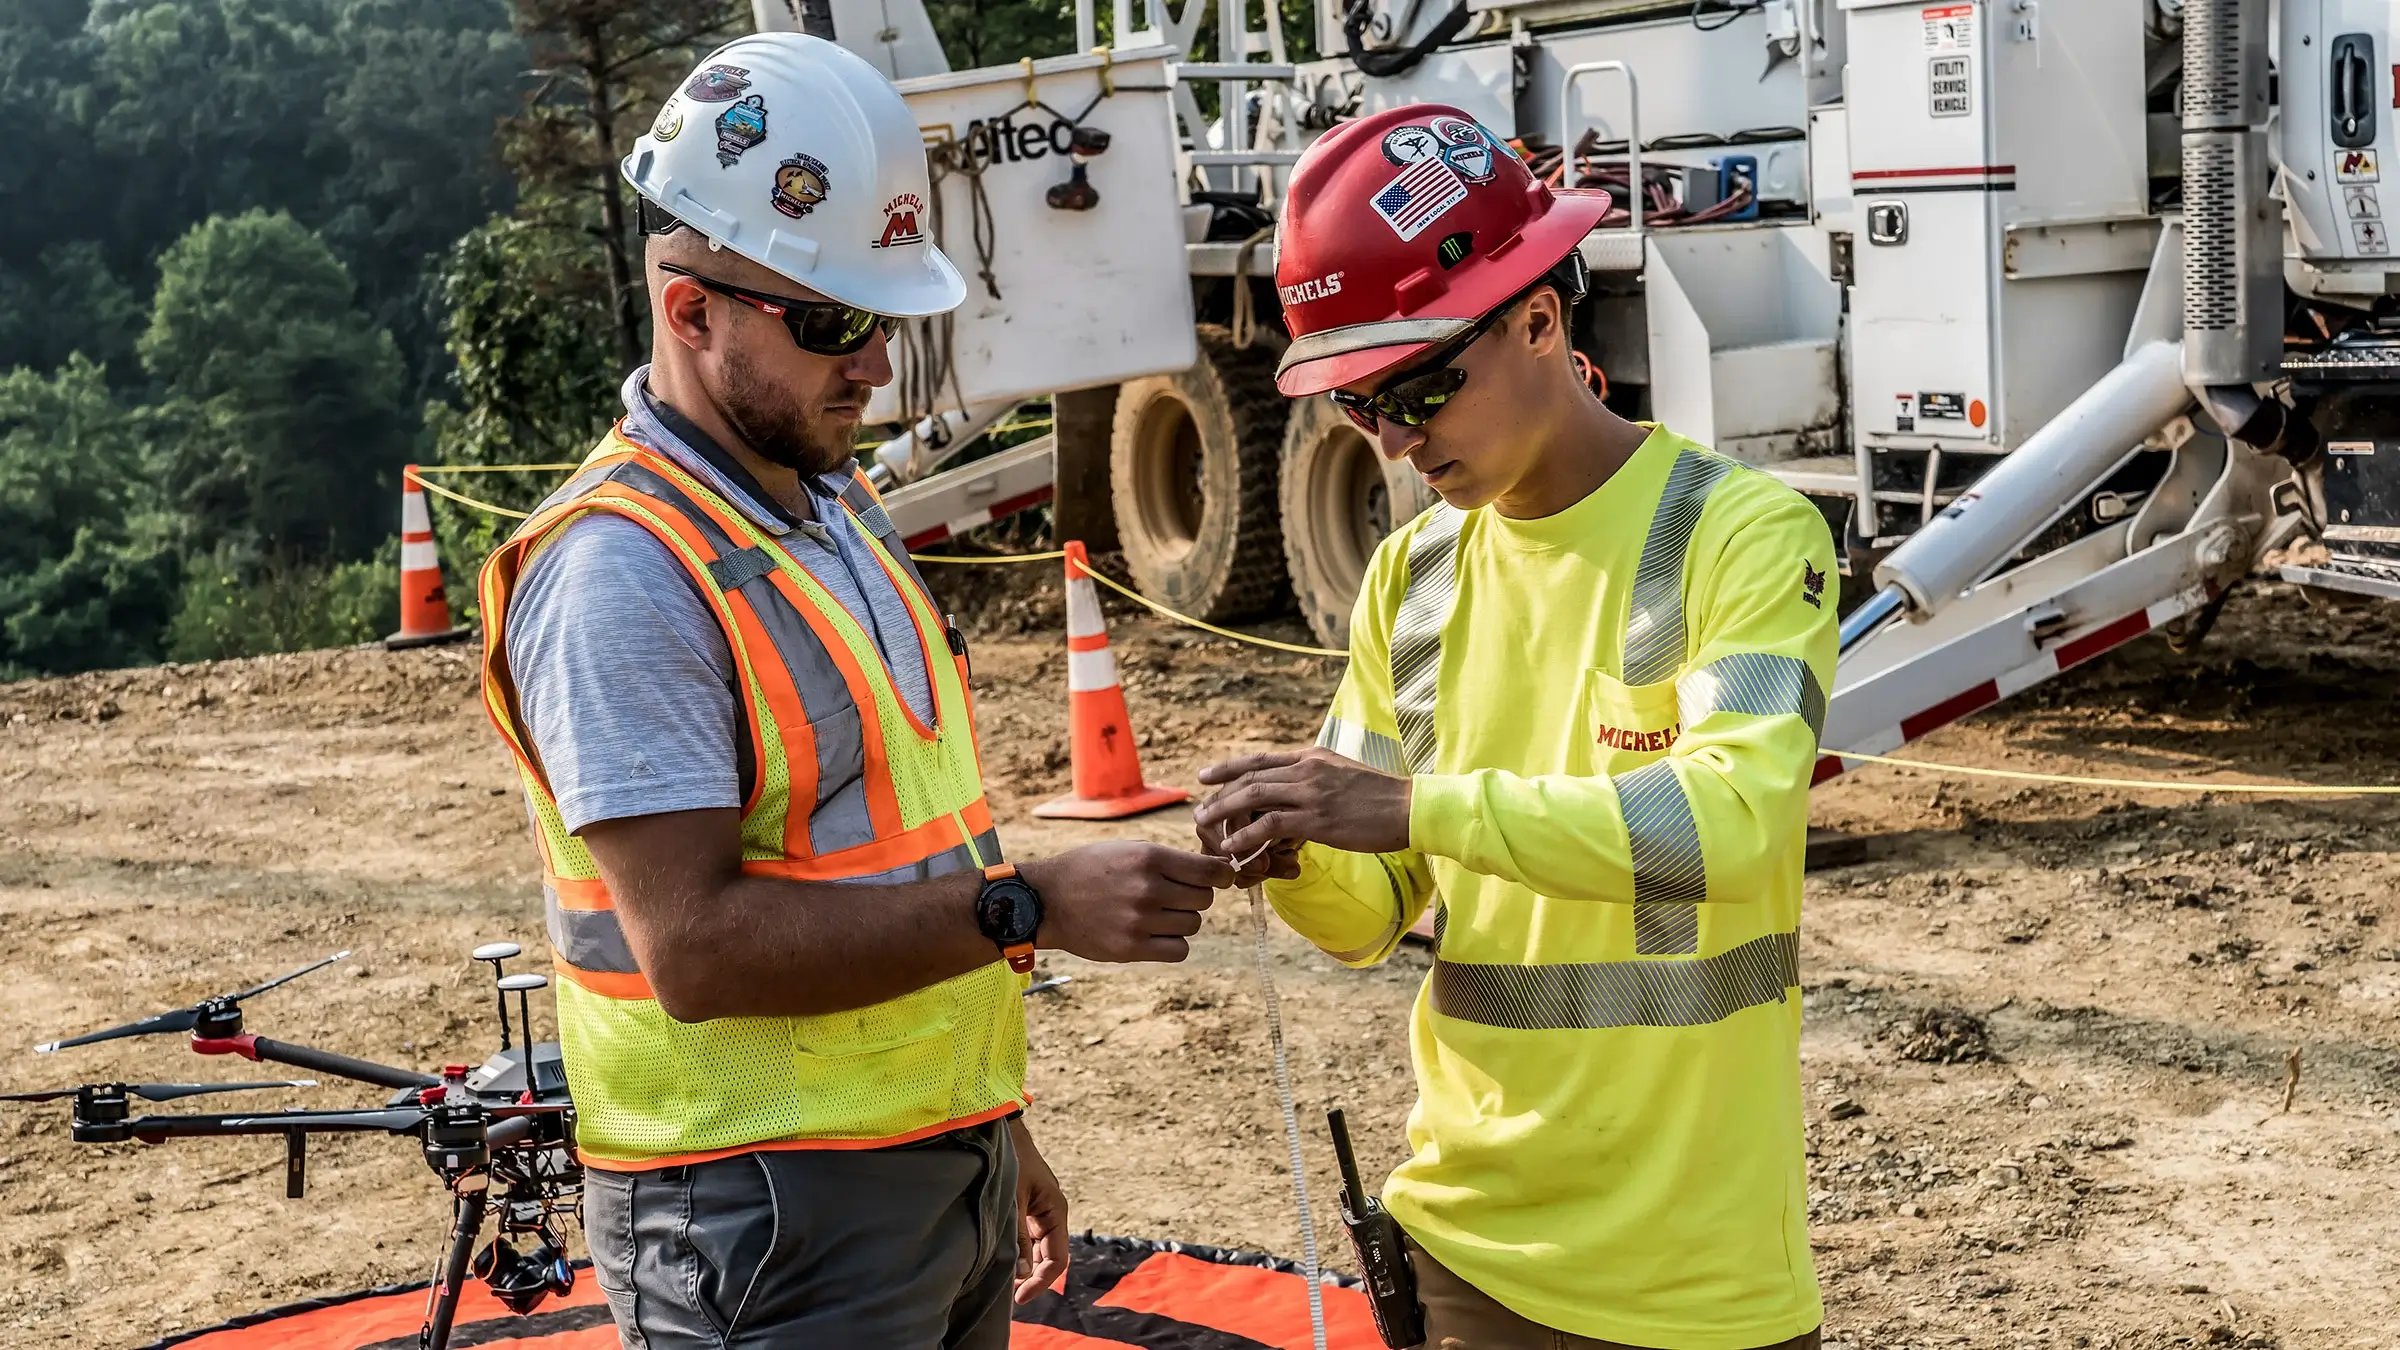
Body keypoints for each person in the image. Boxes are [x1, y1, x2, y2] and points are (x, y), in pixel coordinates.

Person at [477, 34, 1235, 1348]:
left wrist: (990, 1132)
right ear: (690, 310)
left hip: (920, 1167)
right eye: (832, 322)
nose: (873, 364)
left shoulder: (829, 505)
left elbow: (900, 841)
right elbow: (697, 951)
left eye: (883, 318)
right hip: (756, 1215)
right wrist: (1031, 905)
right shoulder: (620, 573)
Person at [1195, 105, 1835, 1350]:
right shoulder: (1412, 578)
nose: (1392, 434)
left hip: (1694, 1281)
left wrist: (1407, 807)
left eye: (1420, 386)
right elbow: (1372, 908)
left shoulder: (1742, 538)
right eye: (1359, 405)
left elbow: (1736, 825)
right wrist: (1288, 857)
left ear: (1542, 317)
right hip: (1464, 1259)